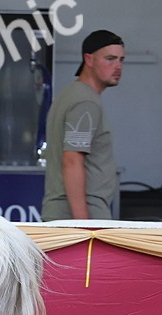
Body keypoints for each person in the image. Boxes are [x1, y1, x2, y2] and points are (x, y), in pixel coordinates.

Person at [41, 29, 124, 221]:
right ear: (89, 59)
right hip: (81, 214)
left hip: (65, 213)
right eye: (110, 59)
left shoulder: (70, 95)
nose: (118, 66)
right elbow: (72, 160)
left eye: (121, 60)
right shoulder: (85, 102)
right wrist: (83, 226)